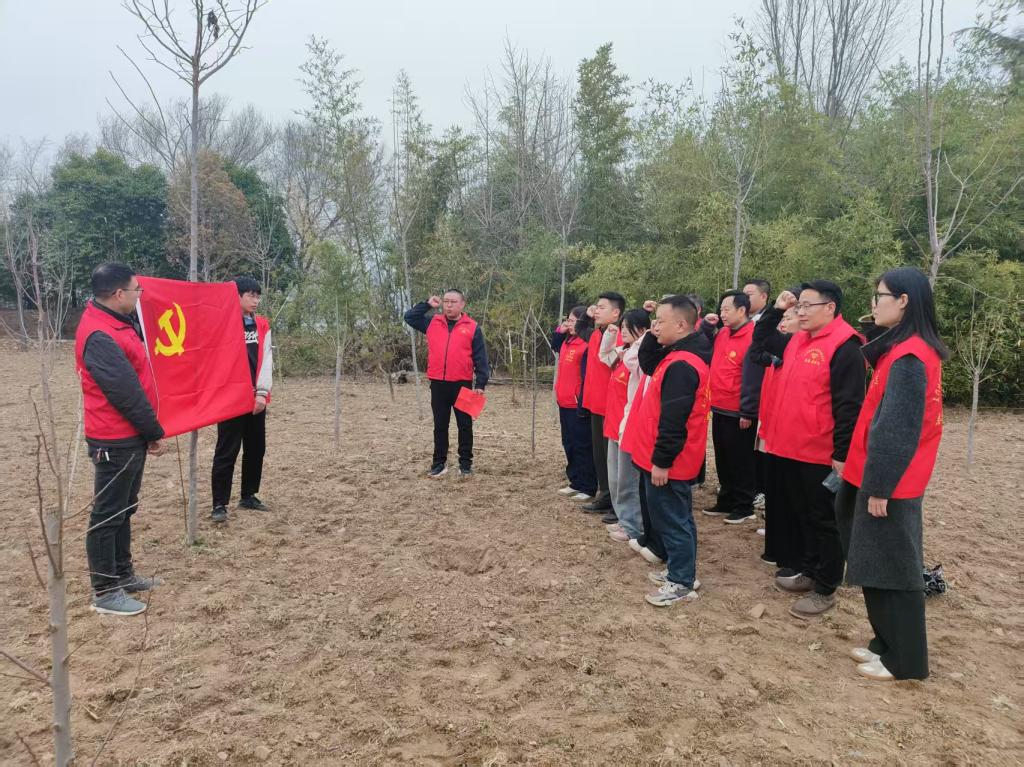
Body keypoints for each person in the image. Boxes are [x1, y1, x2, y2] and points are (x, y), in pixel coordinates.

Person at [836, 267, 947, 681]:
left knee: (894, 567)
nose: (873, 304)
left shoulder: (910, 358)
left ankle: (906, 661)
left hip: (891, 481)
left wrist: (880, 487)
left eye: (880, 296)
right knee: (874, 561)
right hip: (875, 473)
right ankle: (885, 644)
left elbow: (897, 429)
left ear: (903, 301)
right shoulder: (901, 348)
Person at [754, 280, 865, 619]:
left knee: (824, 520)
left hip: (819, 451)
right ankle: (809, 569)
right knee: (802, 514)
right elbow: (761, 340)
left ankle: (826, 586)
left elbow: (849, 406)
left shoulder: (845, 346)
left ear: (830, 308)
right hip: (789, 446)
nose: (800, 312)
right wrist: (776, 309)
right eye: (798, 306)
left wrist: (841, 454)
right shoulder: (799, 339)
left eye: (807, 306)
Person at [75, 263, 165, 616]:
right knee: (108, 513)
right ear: (118, 294)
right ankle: (105, 590)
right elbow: (124, 392)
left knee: (125, 507)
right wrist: (153, 432)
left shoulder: (118, 323)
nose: (140, 295)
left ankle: (123, 574)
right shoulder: (100, 334)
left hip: (129, 436)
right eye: (136, 289)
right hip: (114, 438)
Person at [630, 295, 713, 607]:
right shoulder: (677, 354)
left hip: (671, 461)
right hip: (668, 457)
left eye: (661, 322)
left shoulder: (682, 365)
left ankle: (681, 582)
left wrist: (662, 461)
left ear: (681, 325)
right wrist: (654, 335)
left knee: (673, 520)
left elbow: (674, 421)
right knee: (677, 517)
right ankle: (683, 571)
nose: (655, 327)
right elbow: (649, 364)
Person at [404, 289, 489, 478]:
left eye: (453, 302)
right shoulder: (432, 322)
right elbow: (409, 317)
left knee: (465, 426)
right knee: (440, 425)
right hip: (438, 384)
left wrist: (481, 383)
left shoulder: (472, 327)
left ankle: (465, 464)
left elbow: (481, 358)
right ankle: (439, 463)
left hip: (463, 384)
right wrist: (427, 304)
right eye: (446, 301)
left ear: (462, 304)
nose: (448, 305)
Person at [211, 277, 274, 524]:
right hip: (229, 399)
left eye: (258, 296)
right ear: (236, 296)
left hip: (255, 397)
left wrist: (262, 393)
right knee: (227, 450)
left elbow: (266, 359)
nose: (255, 301)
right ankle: (219, 503)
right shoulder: (222, 323)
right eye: (250, 295)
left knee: (256, 448)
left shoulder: (261, 325)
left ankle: (248, 495)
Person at [700, 291, 758, 525]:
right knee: (723, 457)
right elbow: (704, 347)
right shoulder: (723, 333)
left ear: (742, 310)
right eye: (721, 309)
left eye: (727, 309)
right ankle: (726, 499)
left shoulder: (753, 336)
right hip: (719, 405)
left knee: (740, 459)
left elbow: (753, 378)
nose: (722, 314)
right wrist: (706, 327)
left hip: (739, 410)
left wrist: (748, 411)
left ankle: (744, 505)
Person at [753, 304, 801, 566]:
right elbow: (757, 344)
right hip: (771, 427)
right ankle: (774, 541)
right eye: (782, 318)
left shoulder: (797, 352)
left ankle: (783, 546)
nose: (783, 322)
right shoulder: (780, 353)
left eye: (788, 318)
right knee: (773, 486)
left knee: (787, 492)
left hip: (790, 434)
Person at [601, 309, 650, 544]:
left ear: (641, 329)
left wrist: (645, 337)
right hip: (615, 424)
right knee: (616, 480)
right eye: (621, 328)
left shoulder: (639, 355)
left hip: (631, 425)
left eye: (626, 328)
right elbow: (605, 356)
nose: (622, 332)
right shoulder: (623, 352)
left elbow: (634, 361)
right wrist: (611, 335)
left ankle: (633, 525)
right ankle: (624, 519)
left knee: (628, 481)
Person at [580, 292, 626, 520]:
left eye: (602, 307)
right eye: (596, 307)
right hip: (594, 403)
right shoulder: (597, 334)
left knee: (613, 458)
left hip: (611, 406)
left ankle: (616, 501)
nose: (596, 310)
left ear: (616, 313)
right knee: (600, 455)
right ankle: (605, 494)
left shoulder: (619, 336)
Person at [552, 306, 597, 501]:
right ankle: (575, 481)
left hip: (577, 403)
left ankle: (588, 486)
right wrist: (559, 331)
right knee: (568, 443)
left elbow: (588, 376)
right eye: (568, 320)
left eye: (572, 320)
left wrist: (582, 400)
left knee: (582, 445)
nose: (568, 324)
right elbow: (554, 345)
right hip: (563, 401)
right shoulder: (566, 341)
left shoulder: (586, 344)